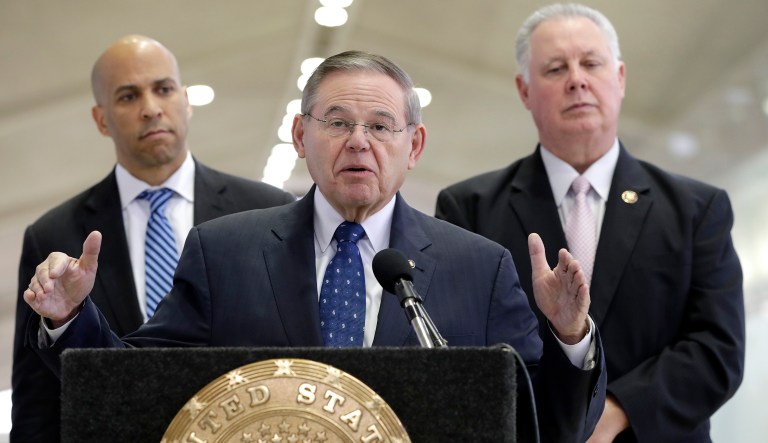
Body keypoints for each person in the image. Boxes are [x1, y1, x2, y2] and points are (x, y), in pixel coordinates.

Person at [23, 50, 605, 442]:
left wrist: (570, 338)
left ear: (414, 144)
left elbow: (546, 424)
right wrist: (71, 318)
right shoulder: (224, 253)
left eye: (380, 126)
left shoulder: (478, 267)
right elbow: (141, 386)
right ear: (302, 136)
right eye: (336, 122)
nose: (359, 143)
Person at [435, 4, 745, 442]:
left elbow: (719, 349)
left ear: (619, 78)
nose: (576, 79)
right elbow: (459, 354)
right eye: (556, 68)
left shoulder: (697, 209)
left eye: (591, 63)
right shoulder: (469, 211)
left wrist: (617, 409)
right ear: (524, 91)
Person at [11, 35, 295, 442]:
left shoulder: (267, 211)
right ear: (101, 119)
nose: (150, 109)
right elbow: (36, 402)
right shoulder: (54, 235)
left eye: (163, 89)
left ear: (185, 99)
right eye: (128, 96)